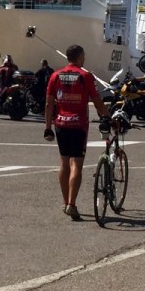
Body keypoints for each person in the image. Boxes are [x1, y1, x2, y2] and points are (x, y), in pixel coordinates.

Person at [43, 44, 110, 221]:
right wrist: (107, 115)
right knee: (76, 165)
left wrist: (48, 127)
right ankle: (72, 204)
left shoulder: (55, 75)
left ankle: (66, 202)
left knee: (64, 163)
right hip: (78, 125)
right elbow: (97, 101)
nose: (84, 59)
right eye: (84, 56)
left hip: (60, 124)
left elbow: (49, 104)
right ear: (79, 57)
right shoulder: (85, 76)